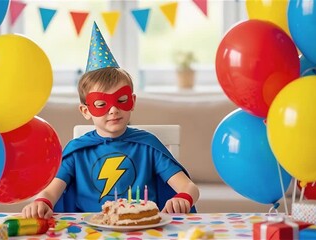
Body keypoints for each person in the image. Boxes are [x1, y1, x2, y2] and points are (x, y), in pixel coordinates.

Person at [22, 22, 199, 219]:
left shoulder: (148, 146)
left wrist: (182, 197)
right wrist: (40, 202)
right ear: (85, 110)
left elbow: (189, 186)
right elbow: (50, 192)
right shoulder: (77, 151)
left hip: (143, 227)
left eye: (121, 100)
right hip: (89, 229)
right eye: (101, 104)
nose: (114, 109)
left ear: (132, 102)